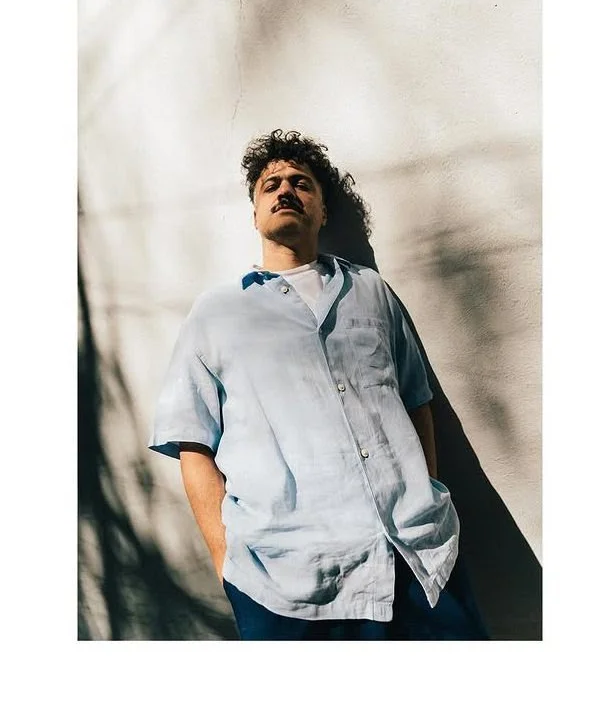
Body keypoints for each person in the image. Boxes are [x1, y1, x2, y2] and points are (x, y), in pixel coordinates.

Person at [149, 129, 488, 640]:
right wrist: (226, 562)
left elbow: (416, 402)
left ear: (323, 211)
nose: (285, 190)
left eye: (301, 182)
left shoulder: (372, 291)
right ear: (255, 214)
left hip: (417, 560)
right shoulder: (216, 313)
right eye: (271, 185)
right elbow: (191, 443)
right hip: (287, 580)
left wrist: (426, 494)